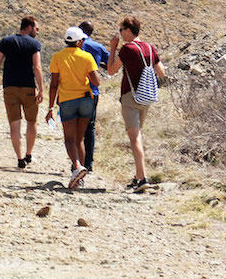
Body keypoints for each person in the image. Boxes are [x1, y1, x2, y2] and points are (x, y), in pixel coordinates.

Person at [106, 16, 166, 192]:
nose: (120, 33)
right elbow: (161, 72)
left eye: (121, 30)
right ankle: (138, 176)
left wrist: (112, 49)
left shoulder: (127, 49)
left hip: (130, 97)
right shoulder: (150, 47)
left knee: (135, 138)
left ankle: (143, 177)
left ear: (127, 30)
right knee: (138, 135)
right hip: (146, 97)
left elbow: (111, 70)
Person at [45, 27, 99, 189]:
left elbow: (54, 85)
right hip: (85, 100)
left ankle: (77, 167)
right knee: (79, 139)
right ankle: (80, 178)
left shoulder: (57, 57)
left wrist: (50, 108)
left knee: (69, 139)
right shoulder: (87, 56)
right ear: (79, 41)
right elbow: (96, 82)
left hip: (67, 101)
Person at [0, 16, 44, 169]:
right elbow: (37, 67)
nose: (38, 31)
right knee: (32, 121)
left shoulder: (6, 41)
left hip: (10, 87)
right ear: (29, 27)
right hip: (28, 87)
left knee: (14, 125)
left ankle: (20, 158)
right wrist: (41, 88)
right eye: (36, 28)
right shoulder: (34, 44)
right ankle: (29, 154)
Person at [78, 21, 110, 173]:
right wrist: (99, 64)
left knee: (75, 127)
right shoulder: (98, 47)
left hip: (74, 90)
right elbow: (111, 65)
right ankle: (88, 163)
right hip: (92, 91)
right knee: (89, 127)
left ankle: (76, 162)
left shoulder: (73, 47)